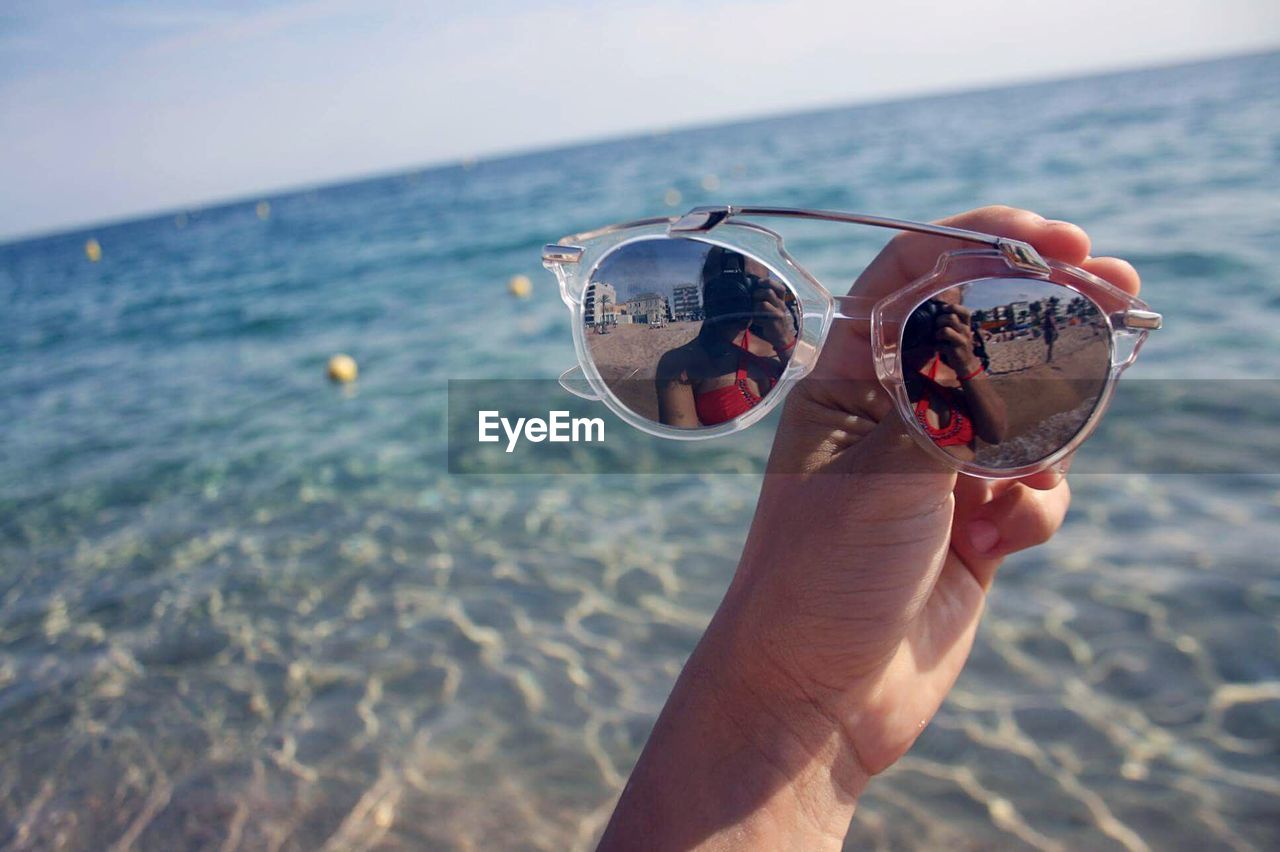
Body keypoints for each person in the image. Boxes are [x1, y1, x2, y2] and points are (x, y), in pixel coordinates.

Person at [597, 207, 1143, 850]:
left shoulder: (822, 353)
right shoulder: (684, 363)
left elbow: (994, 432)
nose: (738, 298)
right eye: (728, 286)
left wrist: (958, 362)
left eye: (746, 285)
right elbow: (685, 428)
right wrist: (790, 704)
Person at [655, 248, 797, 427]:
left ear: (767, 288)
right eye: (727, 282)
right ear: (706, 288)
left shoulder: (787, 343)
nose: (738, 291)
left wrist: (784, 339)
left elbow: (821, 404)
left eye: (750, 282)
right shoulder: (679, 364)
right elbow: (681, 449)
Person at [902, 298, 1007, 459]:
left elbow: (994, 435)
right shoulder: (869, 369)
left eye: (936, 310)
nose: (921, 316)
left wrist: (967, 363)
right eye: (915, 305)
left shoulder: (957, 372)